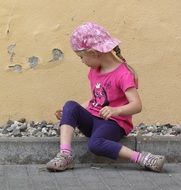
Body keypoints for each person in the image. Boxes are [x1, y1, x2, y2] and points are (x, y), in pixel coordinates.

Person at [46, 22, 165, 172]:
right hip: (94, 120)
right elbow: (96, 100)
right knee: (69, 105)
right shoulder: (95, 71)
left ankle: (143, 158)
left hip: (113, 124)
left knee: (95, 144)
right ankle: (65, 155)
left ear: (94, 53)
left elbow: (137, 105)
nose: (82, 61)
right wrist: (71, 114)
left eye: (81, 57)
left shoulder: (123, 74)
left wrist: (116, 111)